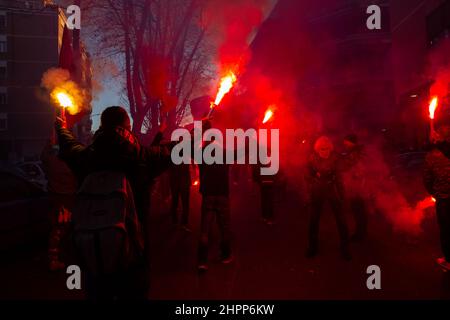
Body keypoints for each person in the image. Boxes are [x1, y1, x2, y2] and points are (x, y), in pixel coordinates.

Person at [55, 106, 172, 298]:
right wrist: (202, 128)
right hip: (133, 255)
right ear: (127, 127)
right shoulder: (142, 158)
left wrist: (61, 127)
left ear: (102, 126)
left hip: (94, 256)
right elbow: (179, 149)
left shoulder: (86, 158)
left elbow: (68, 145)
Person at [195, 120, 233, 272]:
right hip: (222, 194)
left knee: (205, 229)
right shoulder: (225, 152)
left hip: (208, 195)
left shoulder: (201, 153)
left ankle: (202, 261)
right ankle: (225, 256)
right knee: (224, 227)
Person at [305, 136, 351, 260]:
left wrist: (342, 196)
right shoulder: (312, 159)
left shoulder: (335, 159)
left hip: (331, 189)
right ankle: (312, 247)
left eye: (326, 149)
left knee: (341, 220)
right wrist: (315, 176)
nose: (324, 152)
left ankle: (345, 247)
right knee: (313, 220)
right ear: (317, 150)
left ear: (330, 149)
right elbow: (307, 175)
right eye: (322, 149)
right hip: (317, 190)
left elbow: (339, 179)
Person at [41, 139, 78, 271]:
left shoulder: (52, 162)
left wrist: (48, 144)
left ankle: (55, 258)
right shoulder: (70, 165)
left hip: (56, 199)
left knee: (58, 229)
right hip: (67, 200)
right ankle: (54, 260)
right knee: (61, 229)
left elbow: (43, 159)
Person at [424, 124, 450, 271]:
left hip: (444, 200)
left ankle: (448, 261)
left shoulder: (432, 156)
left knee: (446, 230)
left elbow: (427, 180)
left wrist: (435, 193)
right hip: (443, 197)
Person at [340, 133, 368, 241]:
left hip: (358, 187)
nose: (344, 143)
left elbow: (350, 166)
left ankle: (360, 234)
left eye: (345, 141)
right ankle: (361, 232)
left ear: (351, 142)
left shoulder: (356, 153)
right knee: (358, 211)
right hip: (356, 186)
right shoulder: (355, 152)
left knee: (359, 211)